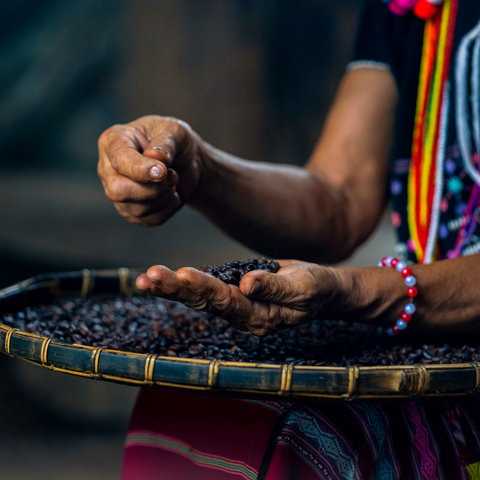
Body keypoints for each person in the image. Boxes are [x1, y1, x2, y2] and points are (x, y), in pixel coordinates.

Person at [98, 0, 480, 478]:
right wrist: (199, 169)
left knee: (302, 430)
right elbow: (338, 202)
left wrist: (357, 292)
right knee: (198, 400)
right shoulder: (411, 8)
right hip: (429, 340)